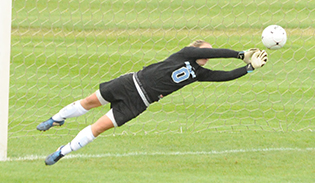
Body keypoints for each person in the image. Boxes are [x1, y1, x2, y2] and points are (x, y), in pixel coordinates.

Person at [37, 40, 268, 165]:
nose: (209, 56)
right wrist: (240, 53)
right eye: (205, 51)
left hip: (138, 104)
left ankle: (62, 152)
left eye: (209, 54)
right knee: (88, 102)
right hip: (129, 83)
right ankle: (57, 118)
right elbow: (218, 52)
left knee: (98, 128)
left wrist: (248, 68)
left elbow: (223, 76)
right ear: (193, 49)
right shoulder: (184, 54)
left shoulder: (200, 73)